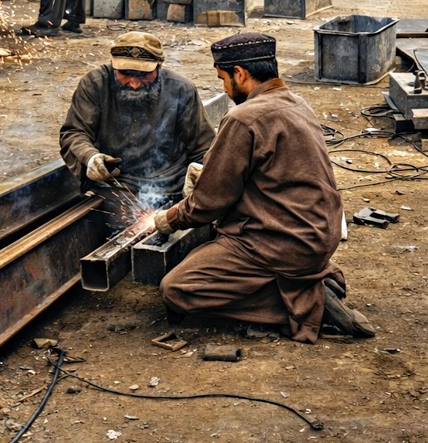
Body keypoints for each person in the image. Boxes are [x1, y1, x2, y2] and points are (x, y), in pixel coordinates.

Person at [153, 33, 375, 342]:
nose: (224, 88)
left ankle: (306, 304)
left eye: (223, 79)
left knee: (176, 289)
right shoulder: (297, 103)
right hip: (319, 235)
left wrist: (170, 218)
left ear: (240, 74)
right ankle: (305, 283)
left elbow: (209, 202)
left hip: (278, 241)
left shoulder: (243, 117)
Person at [60, 32, 215, 227]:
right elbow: (74, 133)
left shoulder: (181, 89)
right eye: (125, 74)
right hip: (118, 187)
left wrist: (200, 179)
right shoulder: (94, 84)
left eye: (143, 75)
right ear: (113, 65)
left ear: (159, 66)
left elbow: (204, 147)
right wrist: (91, 157)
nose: (134, 83)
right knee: (127, 229)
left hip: (171, 185)